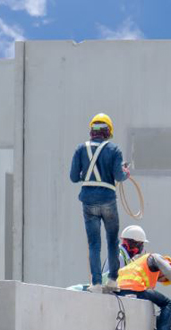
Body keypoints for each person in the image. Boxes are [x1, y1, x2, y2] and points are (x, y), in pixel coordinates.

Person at [70, 113, 130, 294]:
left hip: (88, 202)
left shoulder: (81, 150)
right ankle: (112, 280)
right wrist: (126, 172)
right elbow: (119, 176)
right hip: (108, 200)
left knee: (94, 244)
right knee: (112, 241)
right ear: (108, 131)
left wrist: (86, 176)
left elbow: (73, 177)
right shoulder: (114, 150)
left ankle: (96, 283)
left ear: (91, 131)